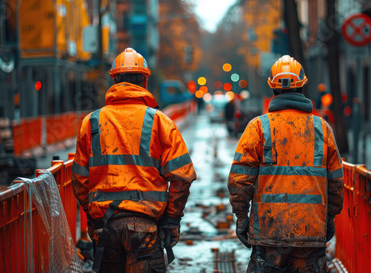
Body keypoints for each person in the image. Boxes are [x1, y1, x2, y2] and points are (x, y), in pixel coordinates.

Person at [71, 48, 196, 273]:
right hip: (145, 227)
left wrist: (93, 217)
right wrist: (171, 219)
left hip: (106, 227)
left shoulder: (91, 123)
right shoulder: (160, 122)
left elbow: (80, 181)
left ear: (114, 80)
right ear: (144, 82)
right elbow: (182, 177)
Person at [227, 55, 344, 272]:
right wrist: (329, 219)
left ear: (273, 88)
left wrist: (242, 217)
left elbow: (239, 180)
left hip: (269, 233)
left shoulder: (258, 127)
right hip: (311, 231)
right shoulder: (322, 128)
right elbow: (336, 182)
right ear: (302, 87)